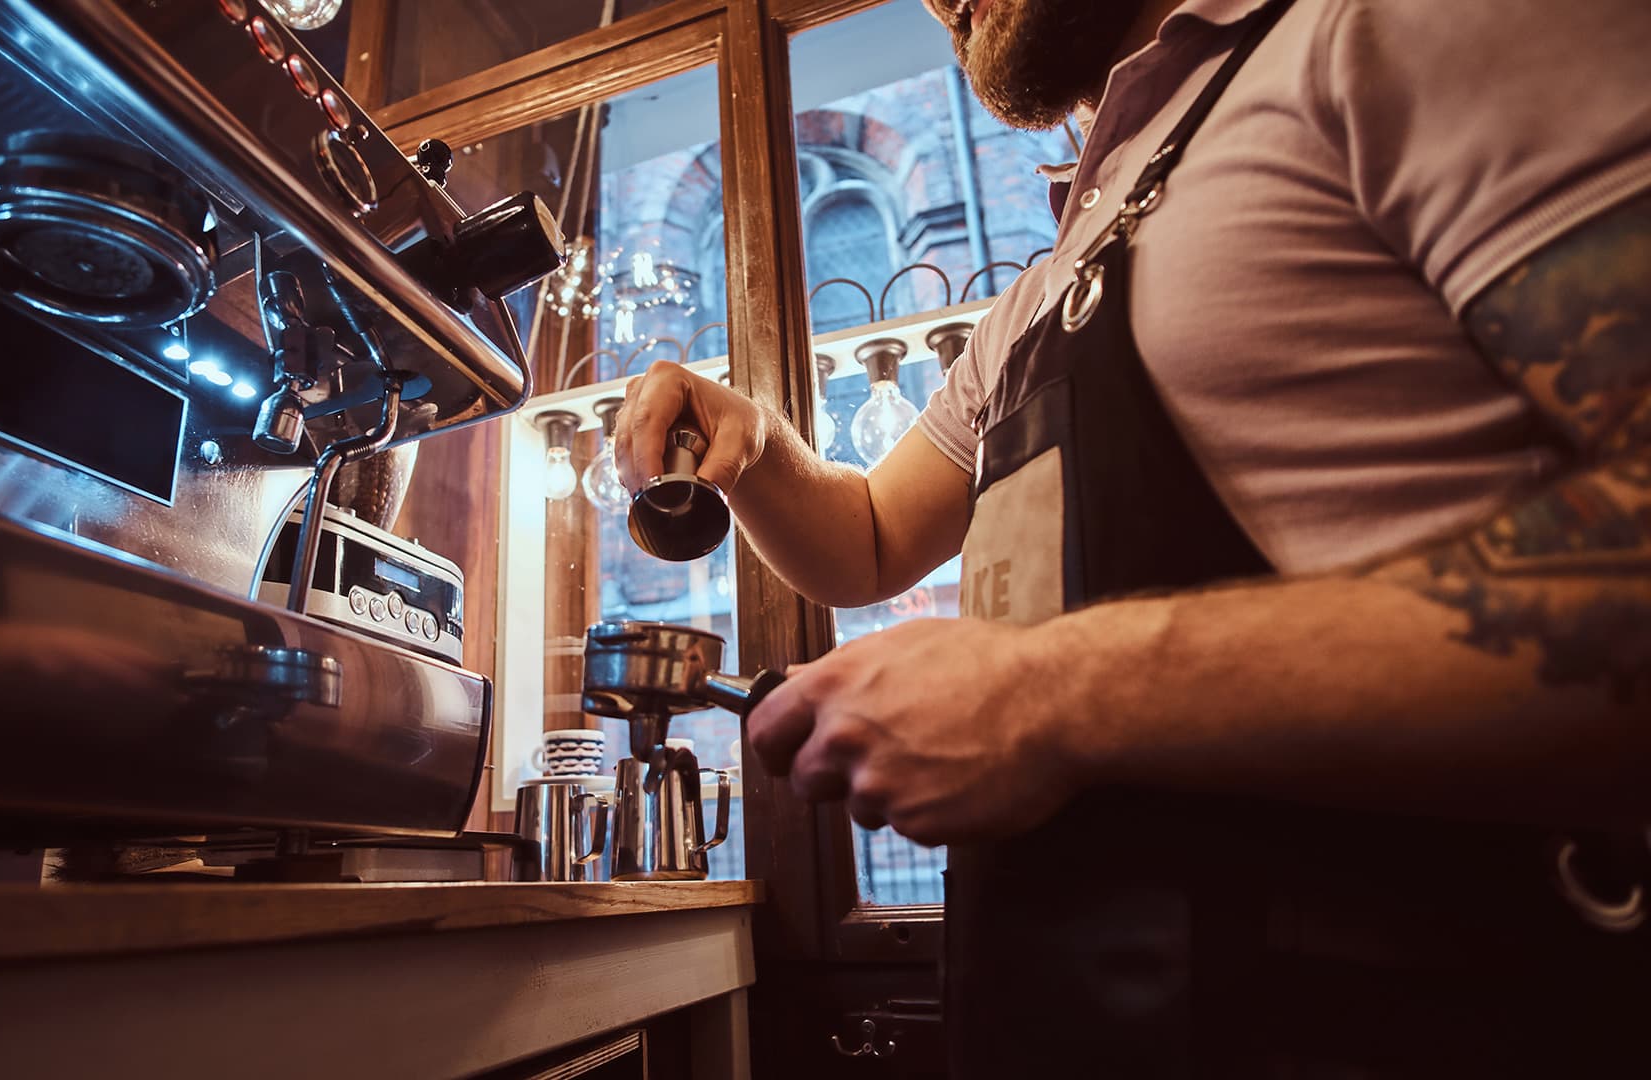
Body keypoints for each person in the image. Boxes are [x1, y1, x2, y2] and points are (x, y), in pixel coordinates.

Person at [614, 0, 1651, 1074]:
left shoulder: (1393, 32)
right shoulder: (1040, 294)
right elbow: (867, 541)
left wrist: (1051, 696)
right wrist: (756, 446)